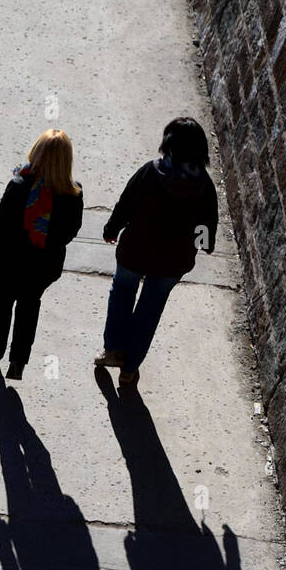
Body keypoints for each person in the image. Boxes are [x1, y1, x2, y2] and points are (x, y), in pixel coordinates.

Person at [95, 117, 218, 385]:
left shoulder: (150, 172)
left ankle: (113, 350)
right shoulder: (204, 187)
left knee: (123, 292)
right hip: (172, 263)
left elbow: (126, 204)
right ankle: (130, 367)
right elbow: (206, 231)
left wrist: (111, 230)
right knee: (150, 309)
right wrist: (200, 245)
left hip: (135, 251)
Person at [0, 130, 83, 381]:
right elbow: (71, 231)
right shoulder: (73, 192)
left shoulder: (19, 185)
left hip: (10, 261)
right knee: (29, 307)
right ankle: (18, 361)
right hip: (44, 266)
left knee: (0, 306)